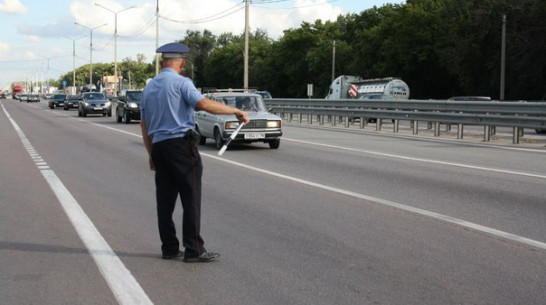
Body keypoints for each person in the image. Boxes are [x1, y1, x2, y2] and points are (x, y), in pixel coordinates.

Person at [140, 42, 249, 262]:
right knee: (191, 197)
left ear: (162, 63)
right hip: (181, 146)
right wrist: (235, 110)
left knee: (165, 201)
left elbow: (144, 124)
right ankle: (194, 249)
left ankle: (169, 248)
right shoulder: (182, 83)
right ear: (181, 63)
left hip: (160, 147)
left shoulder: (149, 88)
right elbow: (204, 104)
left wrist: (151, 153)